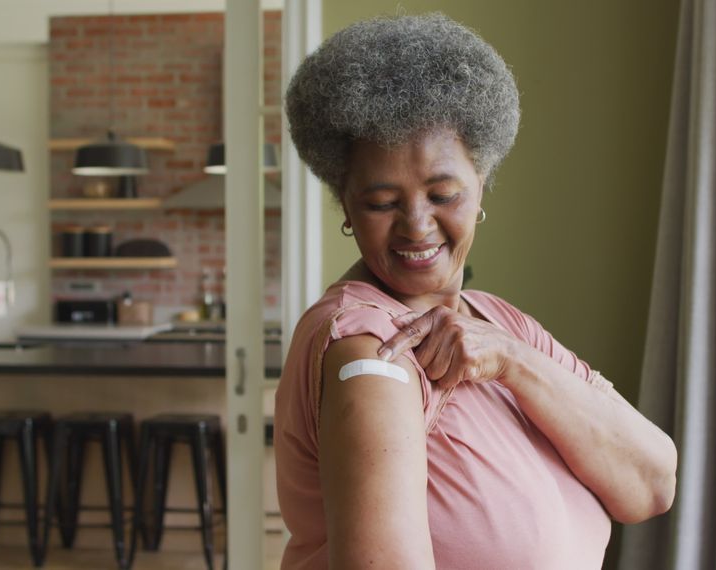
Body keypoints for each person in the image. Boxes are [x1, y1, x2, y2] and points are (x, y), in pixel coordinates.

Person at [275, 13, 677, 569]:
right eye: (382, 202)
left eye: (443, 194)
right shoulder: (368, 351)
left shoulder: (498, 325)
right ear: (345, 205)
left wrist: (512, 359)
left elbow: (651, 484)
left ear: (482, 181)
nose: (417, 225)